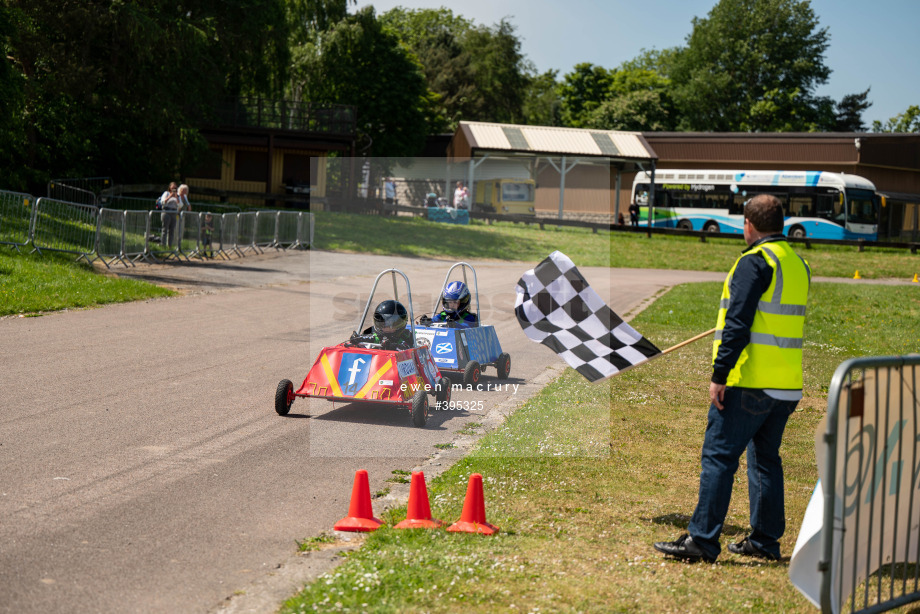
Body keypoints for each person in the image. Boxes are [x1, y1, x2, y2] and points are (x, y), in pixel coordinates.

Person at [653, 194, 811, 564]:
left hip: (750, 382)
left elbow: (737, 325)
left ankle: (703, 541)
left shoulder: (754, 262)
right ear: (781, 224)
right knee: (765, 460)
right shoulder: (796, 263)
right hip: (786, 384)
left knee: (719, 458)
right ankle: (765, 541)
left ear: (749, 225)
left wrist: (719, 375)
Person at [349, 300, 414, 350]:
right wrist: (357, 339)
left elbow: (407, 348)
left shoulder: (407, 336)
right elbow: (372, 338)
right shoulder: (372, 333)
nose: (387, 327)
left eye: (391, 324)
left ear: (400, 324)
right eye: (383, 324)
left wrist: (391, 346)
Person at [159, 182, 180, 247]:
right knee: (165, 229)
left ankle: (170, 245)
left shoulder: (177, 195)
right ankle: (163, 245)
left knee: (171, 230)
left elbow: (180, 205)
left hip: (174, 213)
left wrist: (176, 197)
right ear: (170, 188)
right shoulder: (166, 193)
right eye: (172, 187)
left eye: (175, 188)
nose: (174, 189)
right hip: (166, 211)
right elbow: (162, 202)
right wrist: (170, 196)